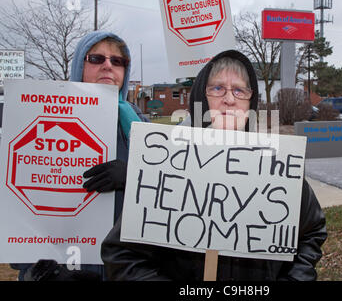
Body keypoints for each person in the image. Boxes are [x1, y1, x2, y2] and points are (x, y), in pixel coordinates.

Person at [100, 49, 327, 281]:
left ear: (250, 102)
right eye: (217, 88)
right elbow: (122, 255)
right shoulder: (167, 164)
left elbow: (311, 232)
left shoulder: (277, 165)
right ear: (201, 97)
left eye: (239, 90)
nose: (229, 99)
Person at [11, 31, 148, 281]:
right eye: (96, 58)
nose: (108, 65)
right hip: (64, 265)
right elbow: (16, 208)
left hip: (126, 267)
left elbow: (165, 195)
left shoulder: (141, 125)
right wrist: (42, 270)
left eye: (118, 61)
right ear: (79, 65)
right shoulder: (40, 116)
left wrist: (136, 176)